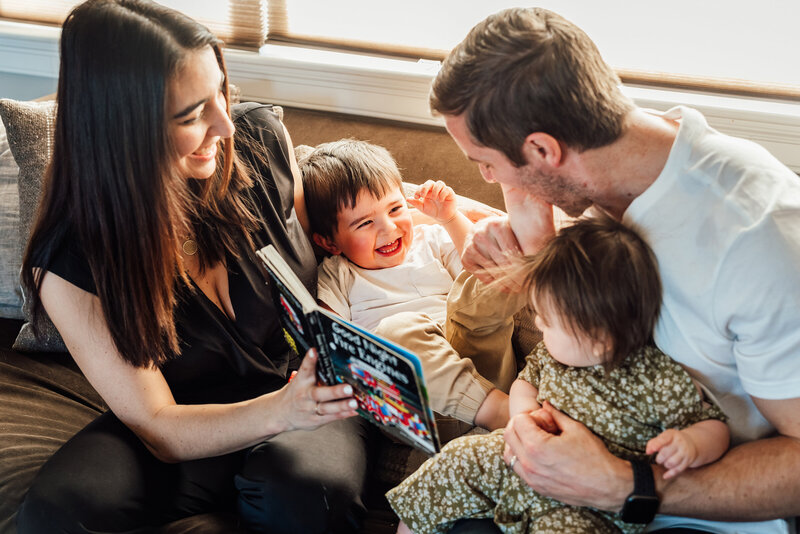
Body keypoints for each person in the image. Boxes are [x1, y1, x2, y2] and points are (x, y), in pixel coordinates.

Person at [431, 6, 800, 534]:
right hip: (574, 480)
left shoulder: (756, 238)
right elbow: (589, 334)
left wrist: (624, 484)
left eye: (485, 163)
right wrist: (536, 249)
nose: (488, 180)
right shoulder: (611, 171)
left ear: (542, 149)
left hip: (700, 515)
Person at [15, 1, 371, 532]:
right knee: (57, 517)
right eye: (190, 115)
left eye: (220, 93)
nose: (224, 124)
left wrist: (468, 221)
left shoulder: (258, 142)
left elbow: (346, 232)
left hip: (297, 385)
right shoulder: (69, 261)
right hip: (182, 419)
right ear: (121, 130)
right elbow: (159, 427)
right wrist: (280, 412)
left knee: (304, 495)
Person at [386, 214, 730, 534]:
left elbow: (711, 424)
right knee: (457, 460)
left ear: (597, 341)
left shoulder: (658, 379)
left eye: (547, 322)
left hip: (585, 504)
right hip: (516, 463)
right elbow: (524, 383)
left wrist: (690, 444)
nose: (537, 324)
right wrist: (522, 417)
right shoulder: (552, 355)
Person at [299, 139, 520, 431]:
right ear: (329, 242)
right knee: (396, 330)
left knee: (489, 272)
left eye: (394, 209)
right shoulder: (337, 274)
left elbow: (477, 270)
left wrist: (451, 218)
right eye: (364, 223)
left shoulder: (430, 238)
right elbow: (332, 340)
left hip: (482, 361)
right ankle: (499, 413)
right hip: (420, 404)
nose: (389, 228)